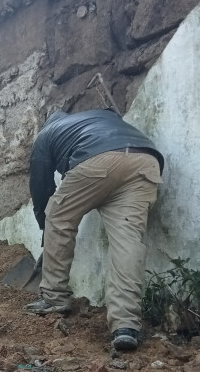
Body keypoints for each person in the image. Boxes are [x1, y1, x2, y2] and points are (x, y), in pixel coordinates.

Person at [24, 108, 164, 352]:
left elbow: (41, 188)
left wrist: (46, 230)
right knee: (128, 242)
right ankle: (126, 325)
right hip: (145, 160)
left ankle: (54, 297)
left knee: (57, 217)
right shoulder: (99, 117)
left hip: (99, 159)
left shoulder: (46, 134)